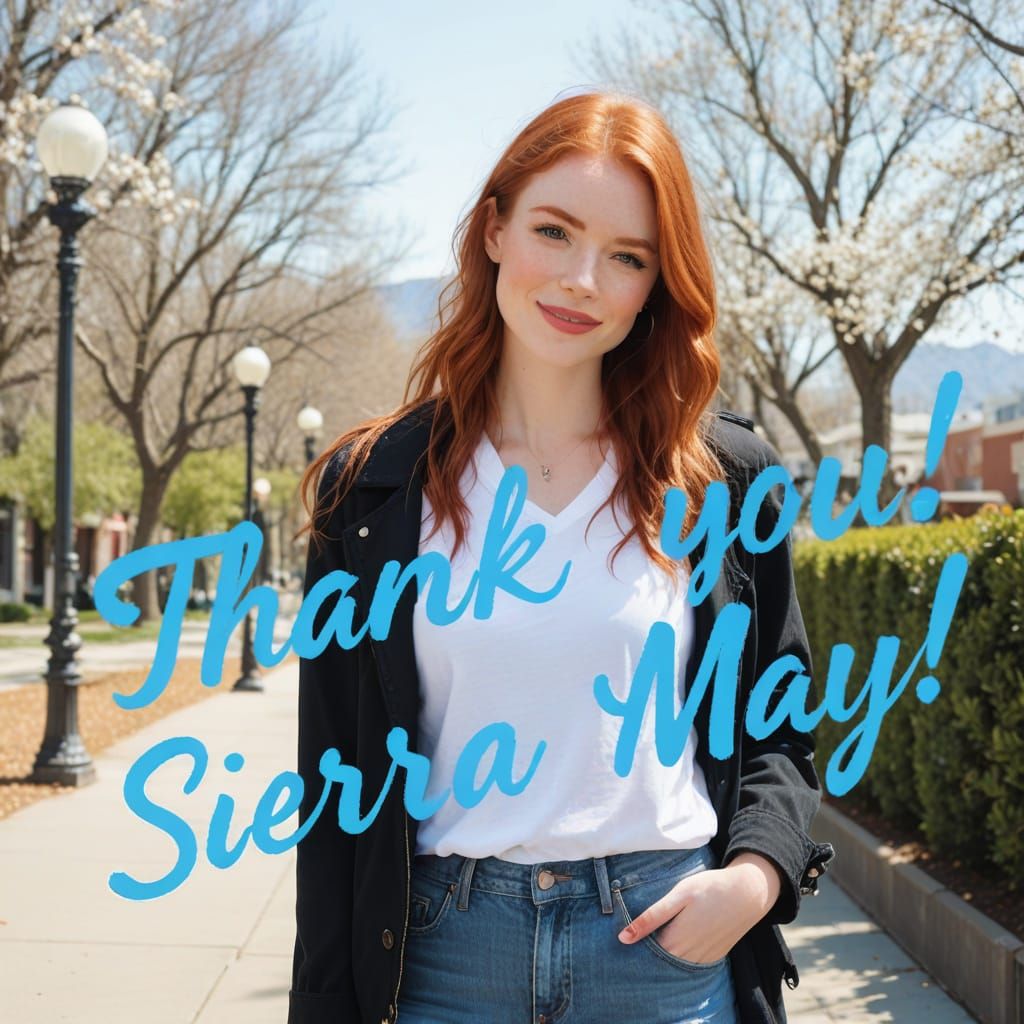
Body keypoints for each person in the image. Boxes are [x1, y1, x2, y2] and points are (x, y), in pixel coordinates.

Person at [288, 90, 834, 1024]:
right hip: (444, 953)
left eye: (627, 257)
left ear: (657, 286)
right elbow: (333, 793)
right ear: (494, 228)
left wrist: (753, 878)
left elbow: (779, 731)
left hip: (662, 944)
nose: (583, 278)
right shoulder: (371, 489)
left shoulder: (724, 481)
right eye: (554, 230)